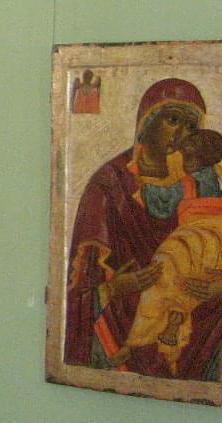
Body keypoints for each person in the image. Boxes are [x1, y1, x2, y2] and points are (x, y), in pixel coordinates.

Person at [64, 78, 222, 379]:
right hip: (124, 313)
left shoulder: (207, 179)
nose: (181, 134)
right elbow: (80, 286)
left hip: (198, 311)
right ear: (146, 121)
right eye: (172, 120)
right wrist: (114, 287)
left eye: (191, 126)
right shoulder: (110, 185)